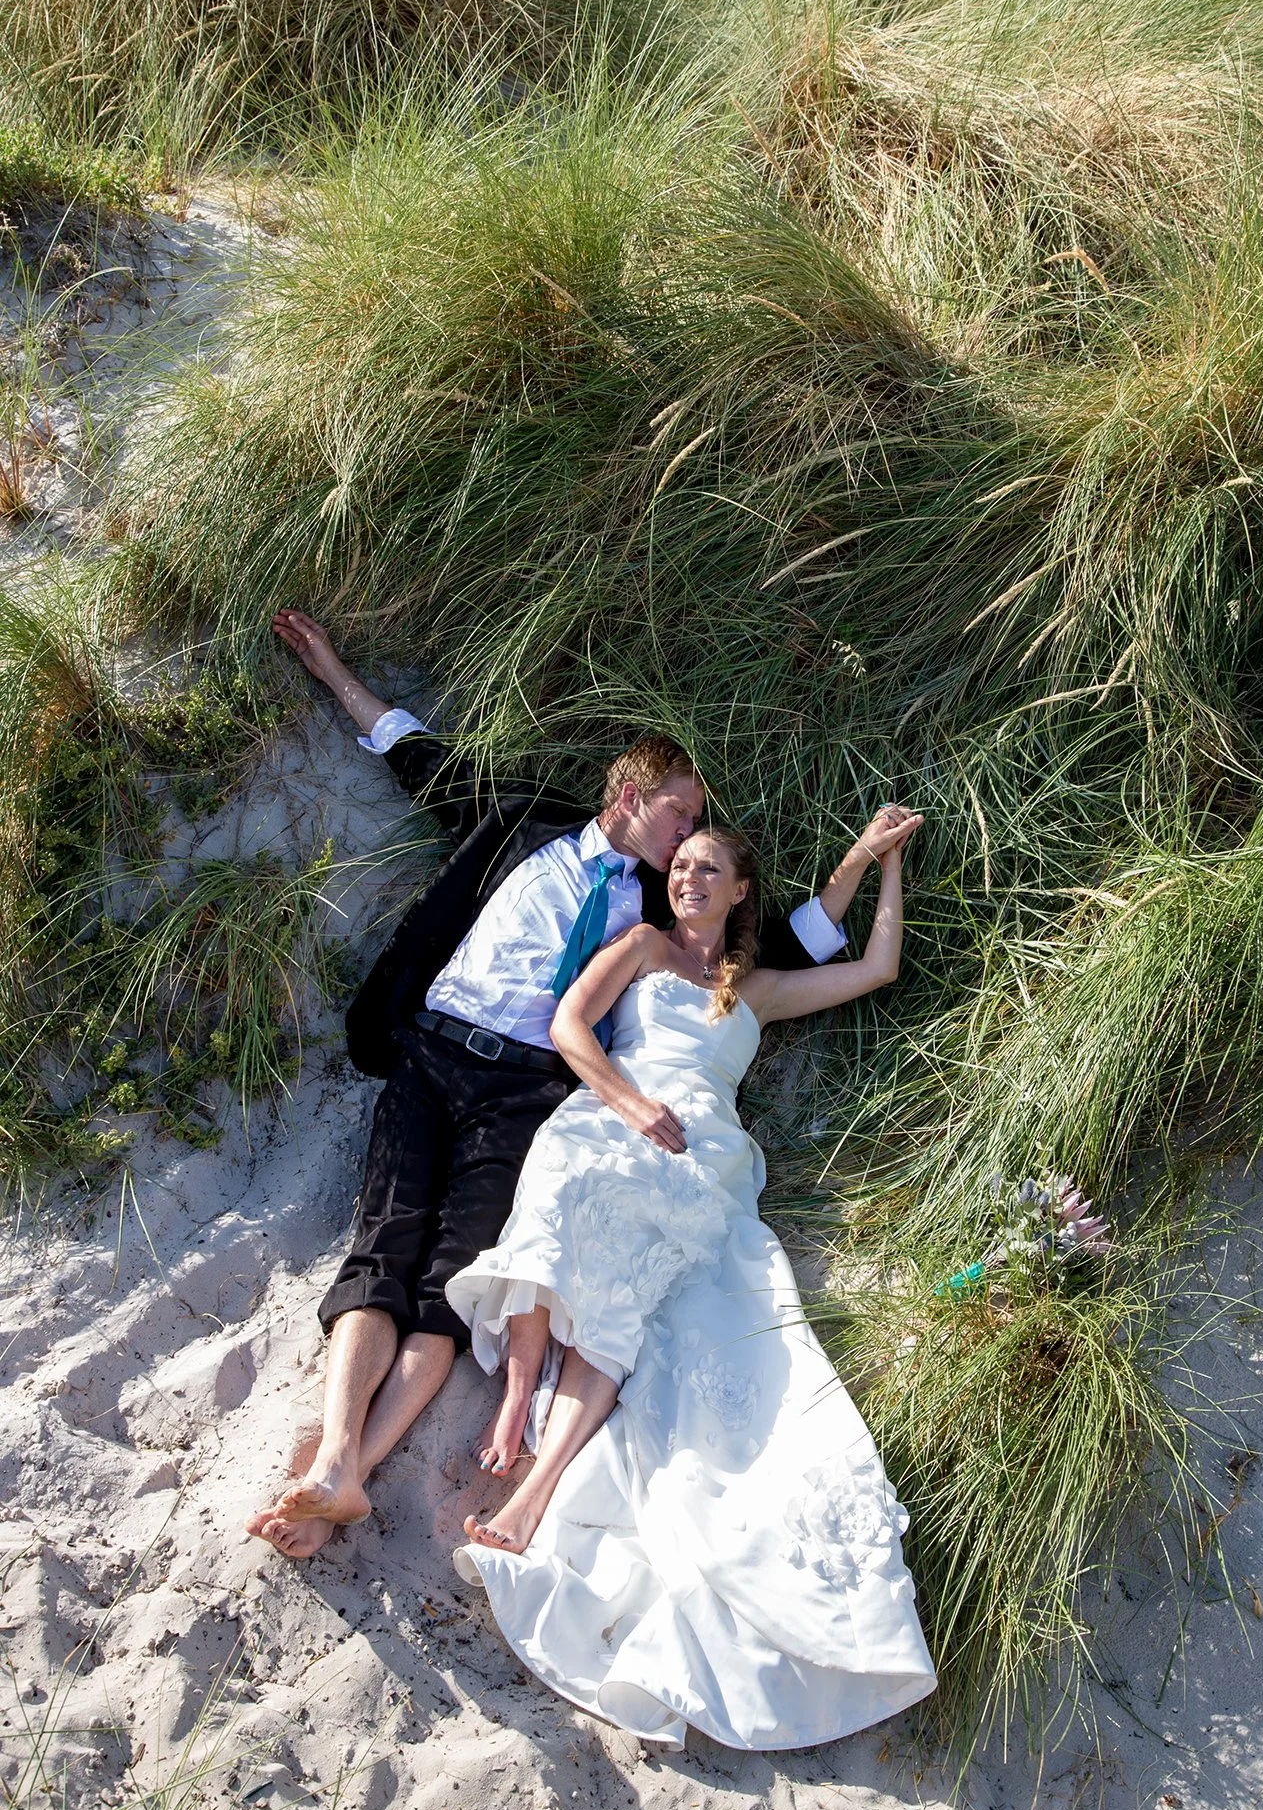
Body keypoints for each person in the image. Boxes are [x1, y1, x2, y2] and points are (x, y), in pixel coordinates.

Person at [247, 610, 893, 1558]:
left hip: (525, 1098)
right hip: (430, 1054)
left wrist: (858, 865)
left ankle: (355, 1471)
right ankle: (335, 1455)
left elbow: (771, 959)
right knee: (380, 1249)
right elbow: (419, 756)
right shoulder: (523, 819)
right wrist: (335, 670)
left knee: (450, 1285)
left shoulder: (661, 925)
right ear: (631, 793)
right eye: (679, 814)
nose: (686, 841)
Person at [445, 814, 936, 1750]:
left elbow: (875, 967)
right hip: (614, 1112)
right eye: (679, 866)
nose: (686, 879)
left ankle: (536, 1487)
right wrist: (628, 1105)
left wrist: (884, 862)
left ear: (742, 890)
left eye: (708, 868)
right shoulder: (639, 945)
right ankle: (516, 1396)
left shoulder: (755, 988)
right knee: (562, 1183)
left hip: (701, 1151)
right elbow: (568, 1025)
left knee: (626, 1289)